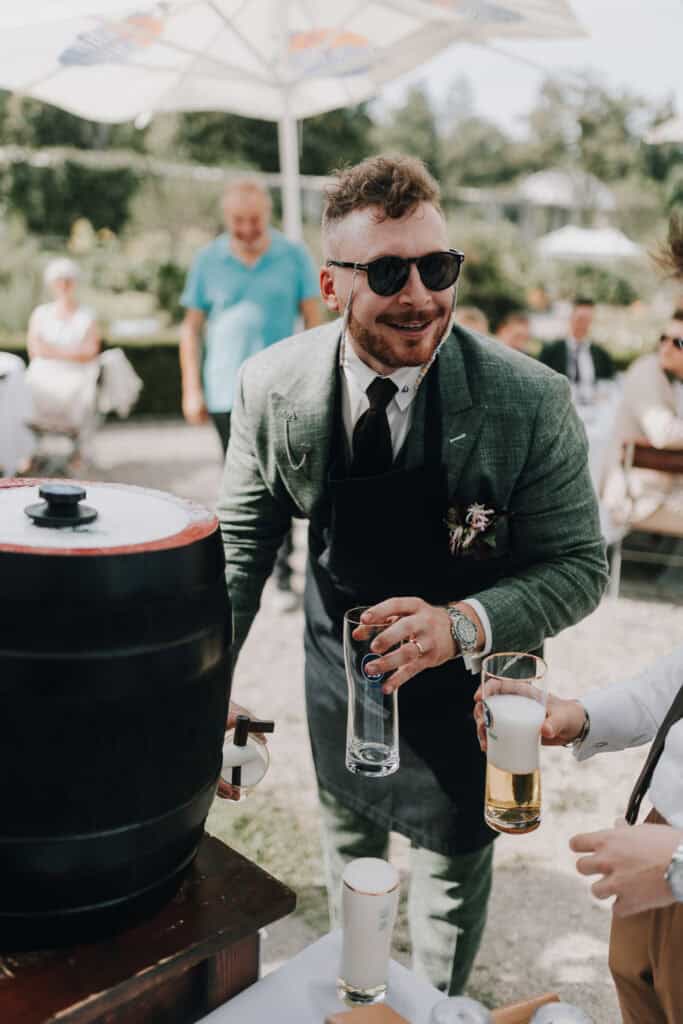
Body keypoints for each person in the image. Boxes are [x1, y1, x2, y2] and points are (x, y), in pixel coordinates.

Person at [217, 154, 607, 995]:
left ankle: (433, 1006)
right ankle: (358, 991)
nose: (420, 295)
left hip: (468, 684)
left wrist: (459, 623)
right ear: (330, 284)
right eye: (388, 271)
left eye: (438, 268)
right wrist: (200, 684)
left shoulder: (527, 402)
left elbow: (579, 567)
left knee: (448, 879)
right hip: (339, 661)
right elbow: (239, 554)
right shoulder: (271, 387)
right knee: (349, 851)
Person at [474, 643, 683, 1024]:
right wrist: (582, 716)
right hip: (660, 831)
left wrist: (678, 862)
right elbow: (672, 682)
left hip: (671, 857)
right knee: (635, 981)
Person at [180, 178, 322, 605]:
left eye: (254, 219)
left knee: (281, 479)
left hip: (282, 391)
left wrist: (317, 378)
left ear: (268, 214)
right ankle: (242, 572)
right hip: (224, 387)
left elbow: (316, 321)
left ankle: (281, 575)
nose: (247, 227)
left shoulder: (293, 254)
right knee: (239, 479)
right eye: (238, 220)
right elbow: (191, 328)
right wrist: (190, 387)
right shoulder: (208, 259)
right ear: (227, 218)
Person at [601, 311, 683, 530]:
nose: (666, 348)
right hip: (641, 497)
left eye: (679, 343)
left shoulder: (673, 376)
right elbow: (663, 434)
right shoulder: (647, 371)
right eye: (663, 339)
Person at [25, 258, 102, 462]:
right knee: (24, 391)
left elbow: (90, 350)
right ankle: (27, 453)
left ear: (74, 283)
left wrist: (52, 350)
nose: (64, 284)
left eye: (68, 280)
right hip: (43, 373)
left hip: (76, 375)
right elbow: (35, 349)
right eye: (59, 280)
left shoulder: (87, 315)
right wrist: (72, 351)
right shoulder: (41, 314)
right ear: (52, 284)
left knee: (79, 391)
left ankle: (76, 452)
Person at [538, 297, 615, 391]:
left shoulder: (601, 355)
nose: (584, 324)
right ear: (571, 318)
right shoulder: (551, 351)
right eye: (580, 319)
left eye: (588, 319)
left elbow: (610, 383)